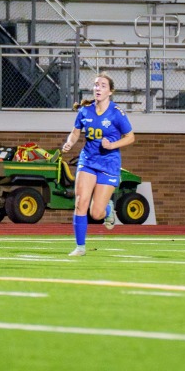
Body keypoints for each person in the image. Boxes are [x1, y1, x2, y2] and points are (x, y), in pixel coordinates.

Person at [61, 73, 135, 257]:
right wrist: (69, 142)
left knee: (96, 213)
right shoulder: (85, 111)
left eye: (103, 85)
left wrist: (112, 145)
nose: (98, 88)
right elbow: (75, 132)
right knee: (81, 202)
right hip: (87, 161)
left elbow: (130, 137)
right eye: (96, 85)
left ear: (110, 91)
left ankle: (107, 208)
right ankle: (80, 247)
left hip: (109, 164)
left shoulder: (117, 113)